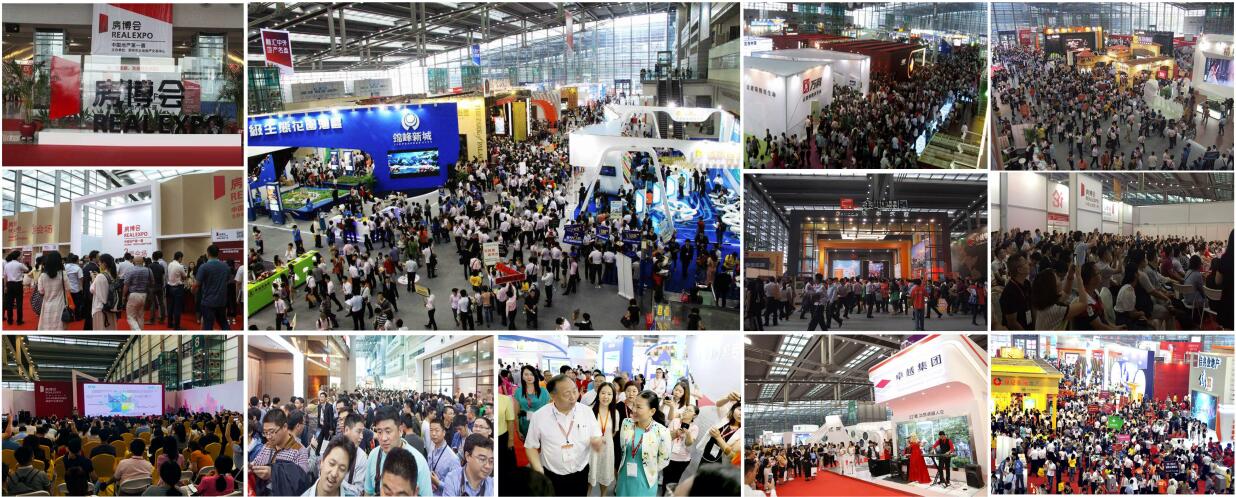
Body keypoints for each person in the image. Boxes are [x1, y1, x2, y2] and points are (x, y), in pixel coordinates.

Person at [524, 374, 603, 496]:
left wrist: (597, 441)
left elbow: (596, 434)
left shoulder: (586, 411)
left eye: (575, 391)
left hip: (580, 472)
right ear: (553, 395)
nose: (573, 397)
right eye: (567, 394)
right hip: (552, 475)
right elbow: (530, 446)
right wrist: (539, 470)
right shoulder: (539, 416)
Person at [363, 406, 433, 496]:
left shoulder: (418, 462)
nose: (383, 438)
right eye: (379, 432)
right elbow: (368, 492)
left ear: (400, 430)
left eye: (388, 431)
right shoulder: (374, 456)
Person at [615, 391, 672, 497]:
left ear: (652, 411)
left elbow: (664, 459)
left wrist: (650, 469)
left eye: (639, 407)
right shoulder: (626, 423)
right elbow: (623, 449)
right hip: (624, 478)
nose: (634, 410)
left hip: (645, 482)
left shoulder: (662, 432)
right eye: (634, 405)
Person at [589, 382, 619, 495]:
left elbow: (614, 432)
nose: (606, 396)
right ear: (598, 394)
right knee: (590, 477)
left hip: (607, 449)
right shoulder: (590, 410)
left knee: (604, 476)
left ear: (613, 396)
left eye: (609, 394)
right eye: (603, 393)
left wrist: (604, 439)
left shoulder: (615, 413)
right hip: (591, 449)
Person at [195, 244, 232, 330]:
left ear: (208, 254)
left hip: (208, 302)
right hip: (221, 301)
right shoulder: (226, 266)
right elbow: (227, 280)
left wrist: (193, 290)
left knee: (208, 325)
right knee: (223, 323)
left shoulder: (204, 267)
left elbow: (197, 284)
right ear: (218, 254)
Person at [426, 417, 461, 495]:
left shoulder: (453, 458)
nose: (433, 433)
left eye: (437, 430)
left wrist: (438, 483)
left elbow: (457, 488)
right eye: (431, 430)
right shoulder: (431, 449)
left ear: (444, 433)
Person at [35, 250, 69, 330]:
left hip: (47, 304)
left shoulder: (42, 276)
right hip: (60, 304)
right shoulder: (63, 274)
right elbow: (68, 288)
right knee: (59, 326)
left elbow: (41, 291)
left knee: (47, 325)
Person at [4, 250, 29, 325]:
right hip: (18, 285)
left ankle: (10, 320)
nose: (22, 257)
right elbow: (27, 269)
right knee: (19, 303)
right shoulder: (20, 264)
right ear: (18, 257)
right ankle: (19, 321)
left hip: (9, 284)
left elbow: (5, 276)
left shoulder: (7, 264)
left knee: (10, 303)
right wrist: (22, 262)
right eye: (21, 256)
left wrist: (5, 286)